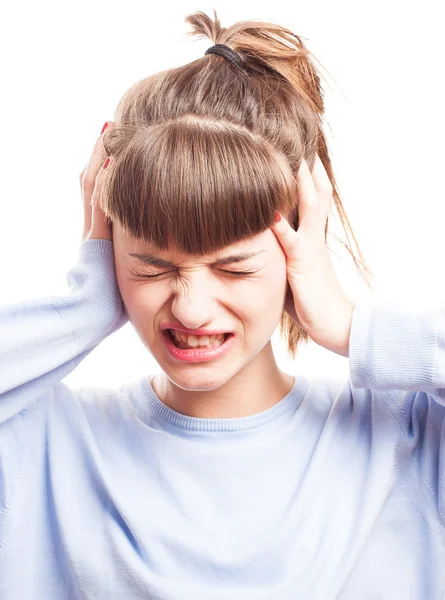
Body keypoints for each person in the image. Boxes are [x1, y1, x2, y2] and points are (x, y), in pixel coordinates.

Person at [1, 9, 444, 600]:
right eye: (151, 266)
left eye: (234, 267)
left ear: (298, 244)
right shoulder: (44, 441)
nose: (191, 308)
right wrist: (85, 305)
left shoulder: (404, 441)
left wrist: (349, 326)